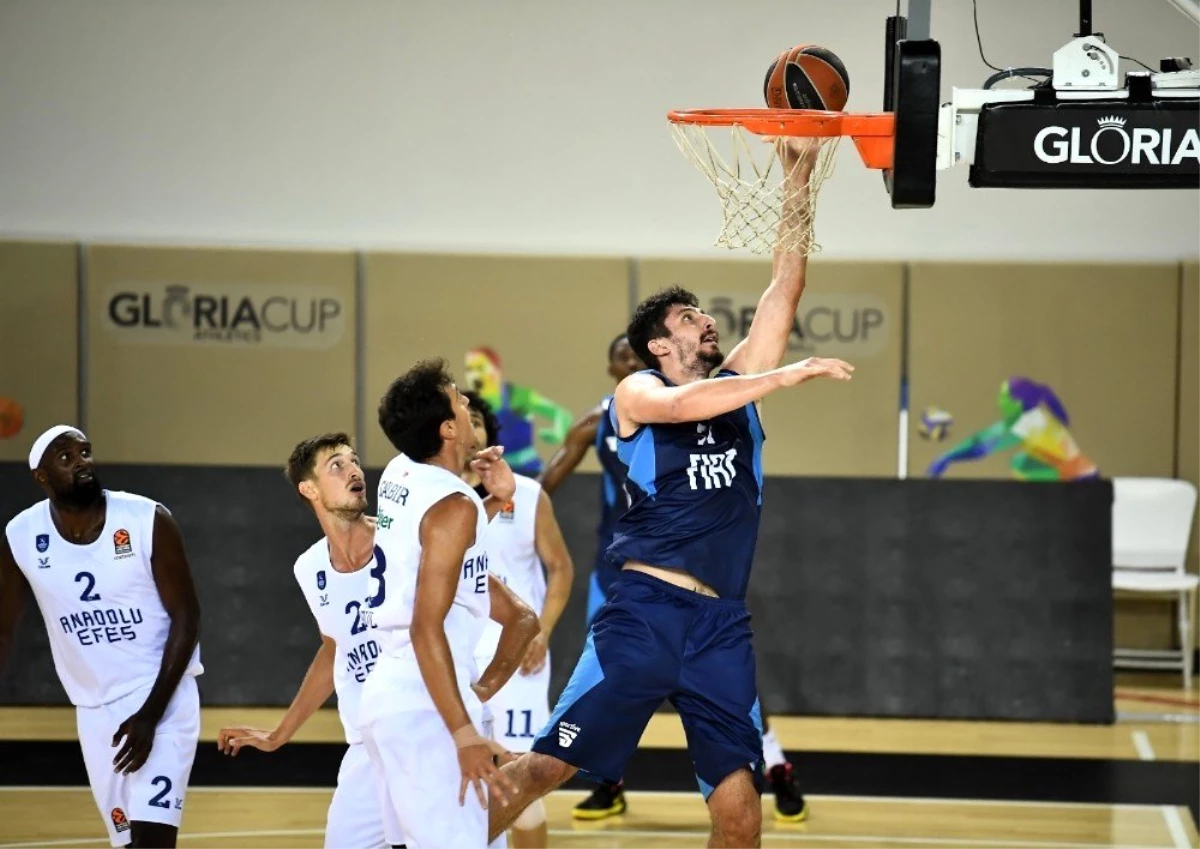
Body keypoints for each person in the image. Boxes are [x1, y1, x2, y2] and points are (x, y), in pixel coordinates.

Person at [486, 141, 855, 848]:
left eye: (702, 314)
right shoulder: (637, 391)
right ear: (658, 344)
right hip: (647, 612)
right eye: (688, 317)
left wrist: (798, 177)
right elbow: (683, 409)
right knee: (545, 767)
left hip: (721, 627)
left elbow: (784, 288)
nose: (706, 320)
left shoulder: (733, 388)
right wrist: (784, 375)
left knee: (742, 815)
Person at [540, 336, 811, 823]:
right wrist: (514, 505)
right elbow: (548, 478)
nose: (629, 361)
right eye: (621, 357)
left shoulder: (689, 402)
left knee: (733, 686)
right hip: (628, 570)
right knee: (610, 682)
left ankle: (774, 763)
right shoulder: (605, 415)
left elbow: (725, 385)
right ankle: (608, 782)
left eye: (634, 355)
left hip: (701, 569)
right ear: (610, 367)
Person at [360, 359, 542, 847]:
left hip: (390, 691)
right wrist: (464, 731)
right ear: (447, 428)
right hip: (424, 705)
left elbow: (443, 541)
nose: (467, 405)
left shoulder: (401, 472)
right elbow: (426, 626)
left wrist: (496, 499)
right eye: (460, 401)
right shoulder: (454, 506)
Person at [0, 426, 203, 849]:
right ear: (41, 477)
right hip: (93, 711)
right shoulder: (20, 537)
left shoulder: (148, 519)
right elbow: (3, 629)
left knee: (152, 841)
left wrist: (151, 715)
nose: (82, 463)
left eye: (85, 452)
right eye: (66, 457)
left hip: (161, 698)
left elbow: (187, 616)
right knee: (126, 844)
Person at [214, 432, 406, 849]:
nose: (354, 469)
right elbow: (334, 647)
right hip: (367, 745)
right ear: (309, 489)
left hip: (418, 735)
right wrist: (279, 733)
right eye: (337, 465)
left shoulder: (402, 541)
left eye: (354, 461)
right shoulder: (309, 567)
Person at [464, 391, 574, 849]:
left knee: (521, 782)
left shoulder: (527, 495)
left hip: (519, 658)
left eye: (477, 421)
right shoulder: (434, 501)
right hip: (458, 658)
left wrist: (542, 630)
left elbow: (561, 568)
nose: (470, 430)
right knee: (461, 777)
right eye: (459, 420)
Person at [927, 376, 1098, 481]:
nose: (999, 401)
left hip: (1081, 480)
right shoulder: (1032, 417)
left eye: (1003, 397)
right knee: (1022, 461)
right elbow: (981, 438)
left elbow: (980, 447)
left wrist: (947, 458)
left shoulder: (1030, 422)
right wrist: (948, 456)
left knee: (1020, 464)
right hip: (1081, 474)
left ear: (1017, 403)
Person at [464, 345, 573, 476]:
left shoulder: (519, 396)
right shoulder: (466, 404)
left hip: (528, 471)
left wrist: (557, 433)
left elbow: (561, 414)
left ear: (497, 370)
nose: (474, 375)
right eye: (469, 370)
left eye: (480, 368)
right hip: (491, 474)